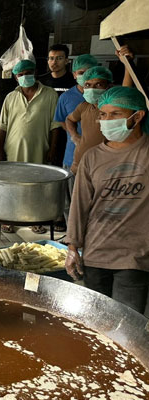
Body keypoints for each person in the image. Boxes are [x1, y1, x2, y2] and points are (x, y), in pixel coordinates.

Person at [66, 86, 149, 316]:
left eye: (115, 114)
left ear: (138, 115)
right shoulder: (92, 157)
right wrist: (73, 247)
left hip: (135, 257)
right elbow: (79, 204)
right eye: (103, 114)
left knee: (127, 325)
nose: (106, 120)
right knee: (94, 323)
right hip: (96, 253)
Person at [0, 59, 61, 233]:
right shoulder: (11, 97)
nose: (25, 77)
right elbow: (2, 126)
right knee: (12, 186)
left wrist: (53, 149)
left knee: (36, 186)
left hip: (39, 149)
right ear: (16, 78)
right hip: (13, 150)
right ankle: (9, 219)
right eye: (21, 75)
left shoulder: (50, 94)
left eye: (28, 73)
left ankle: (35, 219)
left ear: (35, 72)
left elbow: (55, 125)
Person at [53, 54, 98, 225]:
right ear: (74, 75)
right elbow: (63, 120)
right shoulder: (67, 98)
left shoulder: (107, 96)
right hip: (73, 156)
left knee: (94, 203)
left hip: (101, 158)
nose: (85, 76)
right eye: (81, 73)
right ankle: (72, 238)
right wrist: (76, 137)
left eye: (89, 72)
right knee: (71, 202)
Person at [66, 66, 114, 176]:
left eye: (98, 85)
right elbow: (69, 119)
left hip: (103, 170)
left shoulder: (113, 110)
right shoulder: (84, 106)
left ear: (109, 86)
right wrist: (75, 136)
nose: (92, 89)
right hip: (78, 166)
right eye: (88, 85)